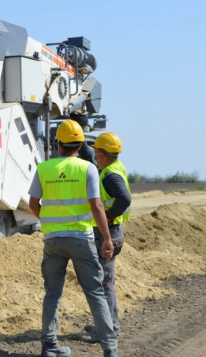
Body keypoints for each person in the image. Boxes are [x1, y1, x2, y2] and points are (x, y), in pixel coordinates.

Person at [28, 120, 119, 357]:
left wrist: (49, 222)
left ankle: (49, 347)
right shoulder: (87, 168)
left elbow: (32, 203)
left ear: (58, 144)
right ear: (80, 145)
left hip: (53, 241)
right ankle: (110, 349)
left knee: (52, 294)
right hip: (82, 239)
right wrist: (107, 239)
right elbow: (97, 206)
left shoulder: (44, 168)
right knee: (95, 292)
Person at [79, 132, 131, 342]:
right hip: (111, 233)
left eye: (97, 152)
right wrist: (79, 139)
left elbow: (124, 199)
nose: (94, 156)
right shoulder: (112, 167)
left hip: (110, 233)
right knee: (104, 281)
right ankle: (105, 324)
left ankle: (108, 331)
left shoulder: (110, 175)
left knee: (104, 283)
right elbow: (88, 154)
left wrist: (107, 217)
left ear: (102, 154)